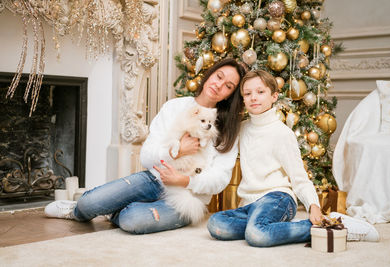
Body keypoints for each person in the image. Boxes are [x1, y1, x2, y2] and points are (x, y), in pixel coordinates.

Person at [44, 58, 246, 234]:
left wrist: (185, 181)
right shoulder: (174, 107)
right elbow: (146, 156)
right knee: (88, 203)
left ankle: (116, 210)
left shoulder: (227, 129)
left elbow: (220, 179)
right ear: (210, 74)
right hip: (153, 180)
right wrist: (177, 152)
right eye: (219, 77)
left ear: (230, 94)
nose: (220, 85)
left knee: (133, 220)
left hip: (187, 198)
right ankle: (77, 210)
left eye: (229, 86)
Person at [207, 70, 380, 247]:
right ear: (242, 99)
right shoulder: (242, 129)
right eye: (247, 93)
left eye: (260, 92)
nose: (253, 98)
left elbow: (299, 178)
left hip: (278, 198)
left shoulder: (282, 134)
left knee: (257, 235)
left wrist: (313, 205)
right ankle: (268, 226)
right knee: (216, 224)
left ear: (274, 96)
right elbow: (218, 142)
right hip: (250, 205)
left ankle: (333, 224)